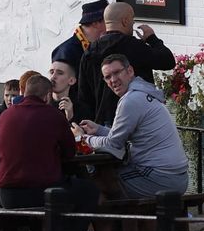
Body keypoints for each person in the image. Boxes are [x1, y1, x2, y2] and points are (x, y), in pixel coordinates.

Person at [79, 55, 188, 207]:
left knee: (99, 183)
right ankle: (136, 226)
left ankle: (126, 229)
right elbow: (118, 136)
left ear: (130, 71)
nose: (113, 80)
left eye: (117, 72)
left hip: (161, 178)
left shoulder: (131, 100)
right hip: (177, 177)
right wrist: (97, 129)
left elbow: (113, 144)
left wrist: (82, 139)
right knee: (105, 181)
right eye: (108, 77)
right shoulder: (142, 91)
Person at [0, 72, 98, 224]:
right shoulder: (54, 115)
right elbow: (69, 153)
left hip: (8, 195)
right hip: (44, 191)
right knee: (90, 191)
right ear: (47, 96)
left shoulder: (5, 115)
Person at [75, 1, 176, 126]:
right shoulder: (134, 47)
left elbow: (84, 96)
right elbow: (168, 61)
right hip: (137, 121)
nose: (133, 24)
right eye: (132, 20)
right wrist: (152, 39)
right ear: (125, 21)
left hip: (103, 123)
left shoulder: (89, 52)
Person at [51, 0, 108, 73]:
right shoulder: (66, 52)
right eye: (108, 21)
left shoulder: (98, 46)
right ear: (96, 23)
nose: (111, 24)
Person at [46, 60, 78, 125]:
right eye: (51, 72)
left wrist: (70, 117)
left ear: (71, 80)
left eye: (60, 73)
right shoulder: (40, 103)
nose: (53, 77)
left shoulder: (81, 109)